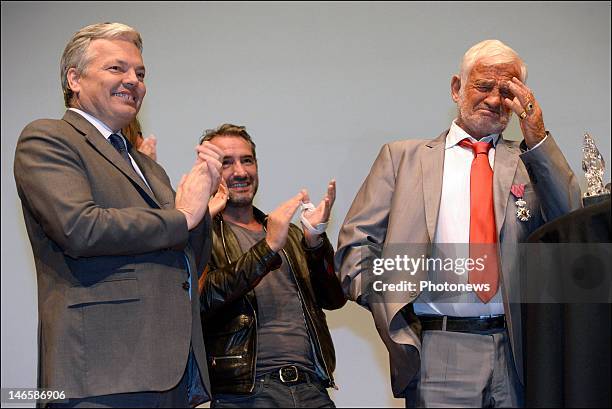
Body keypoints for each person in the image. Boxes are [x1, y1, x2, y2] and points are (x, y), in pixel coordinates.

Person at [335, 39, 582, 407]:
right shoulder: (402, 158)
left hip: (518, 353)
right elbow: (356, 247)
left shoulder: (530, 160)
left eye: (508, 92)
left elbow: (572, 224)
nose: (496, 100)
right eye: (484, 86)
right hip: (438, 349)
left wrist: (537, 134)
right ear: (457, 88)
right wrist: (389, 304)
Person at [13, 22, 223, 407]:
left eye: (140, 73)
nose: (134, 81)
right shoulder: (47, 139)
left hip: (171, 375)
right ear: (74, 78)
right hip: (100, 373)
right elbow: (80, 228)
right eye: (117, 68)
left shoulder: (147, 166)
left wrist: (201, 209)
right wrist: (182, 216)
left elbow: (186, 257)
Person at [198, 124, 345, 408]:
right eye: (226, 163)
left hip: (312, 388)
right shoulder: (199, 234)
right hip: (244, 396)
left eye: (247, 160)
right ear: (209, 172)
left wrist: (316, 243)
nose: (240, 172)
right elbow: (202, 299)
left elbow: (334, 299)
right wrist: (267, 249)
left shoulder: (287, 233)